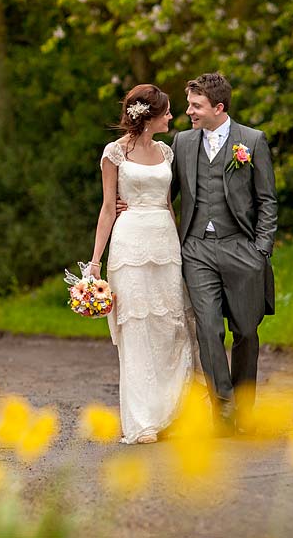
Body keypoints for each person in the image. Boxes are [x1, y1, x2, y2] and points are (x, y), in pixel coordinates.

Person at [87, 84, 197, 445]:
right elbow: (107, 207)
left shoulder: (166, 151)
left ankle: (174, 412)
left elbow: (168, 204)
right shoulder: (114, 154)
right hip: (130, 244)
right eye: (166, 112)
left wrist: (181, 249)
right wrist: (95, 261)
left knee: (172, 325)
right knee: (137, 328)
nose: (171, 116)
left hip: (165, 244)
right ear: (148, 116)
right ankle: (142, 420)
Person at [169, 72, 278, 435]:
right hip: (196, 249)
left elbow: (267, 201)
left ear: (218, 107)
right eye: (189, 105)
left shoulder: (252, 140)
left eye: (196, 106)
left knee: (246, 331)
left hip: (241, 247)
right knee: (209, 329)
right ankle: (225, 412)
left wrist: (261, 250)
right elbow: (164, 193)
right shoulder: (182, 142)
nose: (189, 112)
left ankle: (245, 408)